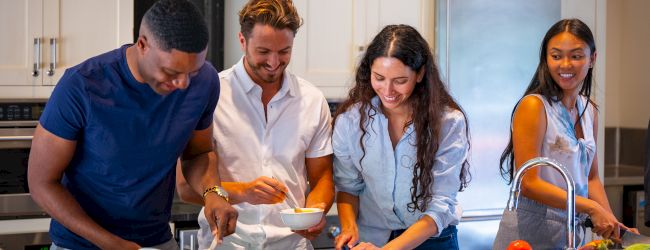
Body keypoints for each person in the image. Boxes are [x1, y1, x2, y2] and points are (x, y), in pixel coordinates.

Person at [27, 0, 238, 249]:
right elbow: (41, 183)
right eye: (171, 73)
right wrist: (110, 243)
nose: (183, 84)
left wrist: (212, 192)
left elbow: (199, 153)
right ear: (142, 45)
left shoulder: (205, 82)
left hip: (155, 240)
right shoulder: (82, 86)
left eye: (193, 72)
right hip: (80, 244)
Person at [175, 0, 335, 249]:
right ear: (242, 41)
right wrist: (244, 191)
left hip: (291, 244)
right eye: (263, 51)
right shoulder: (211, 95)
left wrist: (316, 210)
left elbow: (323, 178)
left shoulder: (312, 101)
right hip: (226, 243)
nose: (274, 62)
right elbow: (185, 188)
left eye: (284, 51)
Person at [495, 18, 637, 249]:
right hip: (529, 229)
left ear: (592, 59)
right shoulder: (534, 106)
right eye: (556, 55)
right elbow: (529, 182)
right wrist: (591, 208)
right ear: (546, 59)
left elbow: (591, 178)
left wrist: (613, 224)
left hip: (570, 228)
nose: (565, 64)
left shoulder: (589, 110)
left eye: (576, 56)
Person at [332, 24, 471, 250]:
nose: (388, 90)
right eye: (379, 78)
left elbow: (440, 204)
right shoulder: (351, 121)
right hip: (372, 238)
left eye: (399, 81)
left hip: (432, 240)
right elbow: (348, 187)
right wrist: (349, 228)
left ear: (420, 74)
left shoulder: (448, 123)